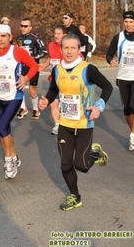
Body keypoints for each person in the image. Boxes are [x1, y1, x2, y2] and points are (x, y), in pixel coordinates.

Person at [39, 34, 113, 211]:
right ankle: (75, 196)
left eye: (73, 48)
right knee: (65, 164)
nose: (69, 51)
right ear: (61, 49)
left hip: (83, 124)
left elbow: (108, 87)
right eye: (66, 48)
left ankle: (95, 153)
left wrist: (98, 105)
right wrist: (46, 101)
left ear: (79, 49)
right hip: (65, 124)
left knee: (82, 165)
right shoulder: (57, 70)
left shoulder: (88, 69)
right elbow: (54, 90)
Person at [0, 24, 39, 179]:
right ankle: (14, 156)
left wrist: (26, 78)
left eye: (3, 36)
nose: (0, 39)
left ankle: (8, 161)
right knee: (3, 130)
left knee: (2, 126)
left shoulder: (17, 52)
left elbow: (34, 66)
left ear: (10, 37)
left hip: (14, 96)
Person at [106, 10, 134, 151]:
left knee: (133, 105)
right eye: (126, 22)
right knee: (127, 110)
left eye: (131, 22)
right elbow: (109, 54)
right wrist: (111, 61)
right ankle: (133, 132)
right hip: (123, 78)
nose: (128, 24)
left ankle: (133, 136)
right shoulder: (119, 37)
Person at [15, 18, 47, 120]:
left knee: (32, 89)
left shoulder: (35, 38)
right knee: (19, 87)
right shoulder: (18, 38)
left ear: (30, 28)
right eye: (22, 26)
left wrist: (34, 57)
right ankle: (23, 108)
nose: (23, 28)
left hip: (33, 66)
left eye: (25, 26)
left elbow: (44, 51)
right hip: (22, 66)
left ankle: (35, 109)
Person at [38, 25, 67, 135]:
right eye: (55, 33)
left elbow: (80, 58)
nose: (56, 36)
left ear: (64, 35)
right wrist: (43, 66)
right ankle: (57, 125)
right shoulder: (51, 45)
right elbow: (51, 58)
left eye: (59, 34)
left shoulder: (68, 45)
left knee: (65, 103)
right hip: (53, 79)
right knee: (53, 103)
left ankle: (67, 124)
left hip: (66, 80)